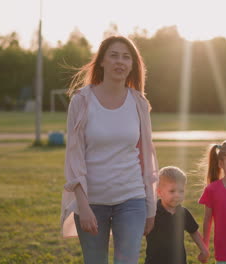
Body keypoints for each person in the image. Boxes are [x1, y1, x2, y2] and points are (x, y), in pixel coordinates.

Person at [60, 35, 158, 264]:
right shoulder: (82, 101)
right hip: (92, 202)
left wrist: (150, 208)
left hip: (132, 199)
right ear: (101, 61)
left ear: (133, 65)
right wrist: (82, 206)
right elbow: (74, 157)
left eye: (126, 57)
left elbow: (147, 156)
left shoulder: (139, 103)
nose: (120, 62)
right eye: (113, 55)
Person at [145, 166, 209, 264]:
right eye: (172, 191)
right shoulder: (152, 213)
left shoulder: (183, 213)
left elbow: (194, 231)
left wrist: (204, 250)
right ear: (159, 192)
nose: (177, 195)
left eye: (181, 191)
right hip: (155, 261)